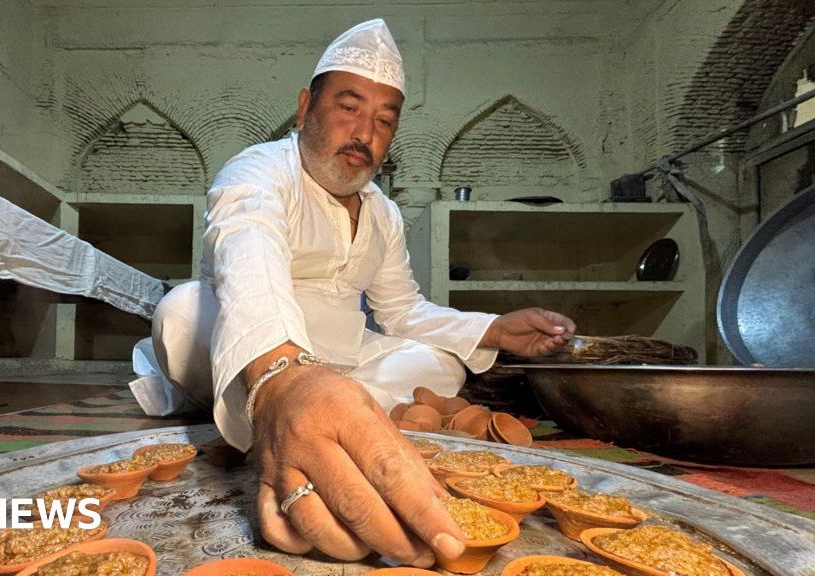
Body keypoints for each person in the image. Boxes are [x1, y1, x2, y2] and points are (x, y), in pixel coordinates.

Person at [130, 18, 576, 568]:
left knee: (442, 367)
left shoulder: (383, 214)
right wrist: (281, 376)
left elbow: (402, 310)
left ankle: (329, 410)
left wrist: (493, 329)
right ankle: (282, 408)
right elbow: (250, 251)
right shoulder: (259, 170)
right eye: (349, 107)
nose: (364, 133)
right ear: (305, 108)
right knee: (178, 315)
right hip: (249, 344)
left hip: (345, 353)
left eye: (383, 120)